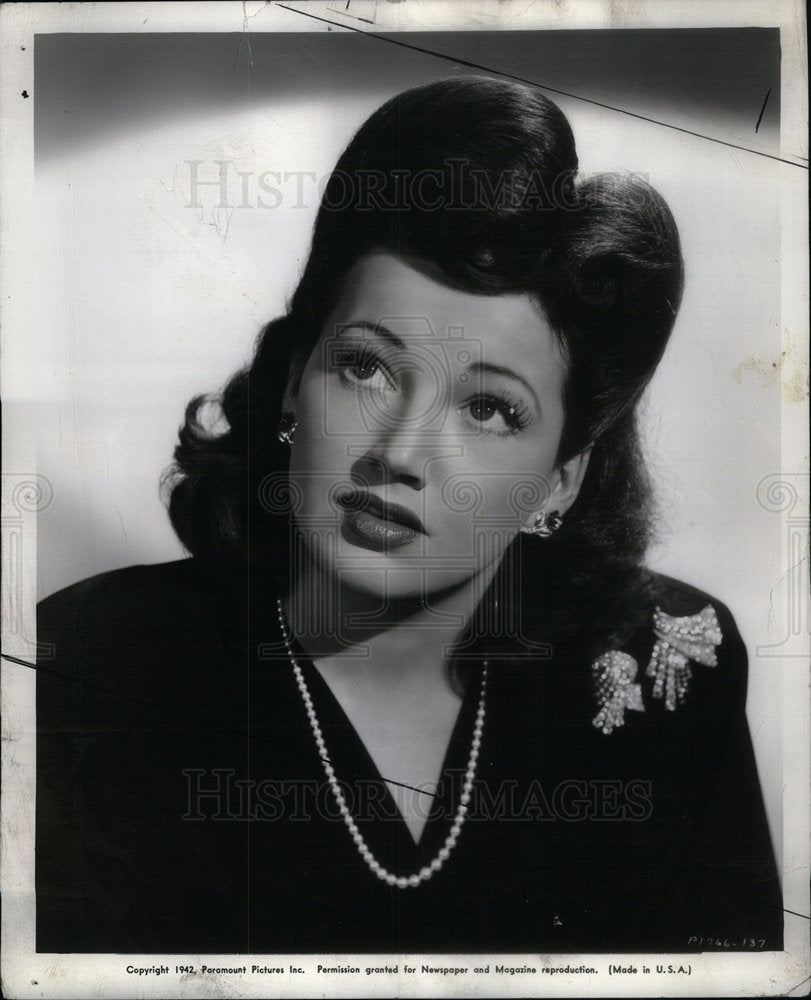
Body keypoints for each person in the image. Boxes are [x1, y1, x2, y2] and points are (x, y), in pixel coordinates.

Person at [36, 77, 782, 954]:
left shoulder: (668, 667)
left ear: (559, 483)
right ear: (290, 383)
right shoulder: (85, 670)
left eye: (489, 410)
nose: (398, 451)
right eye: (365, 367)